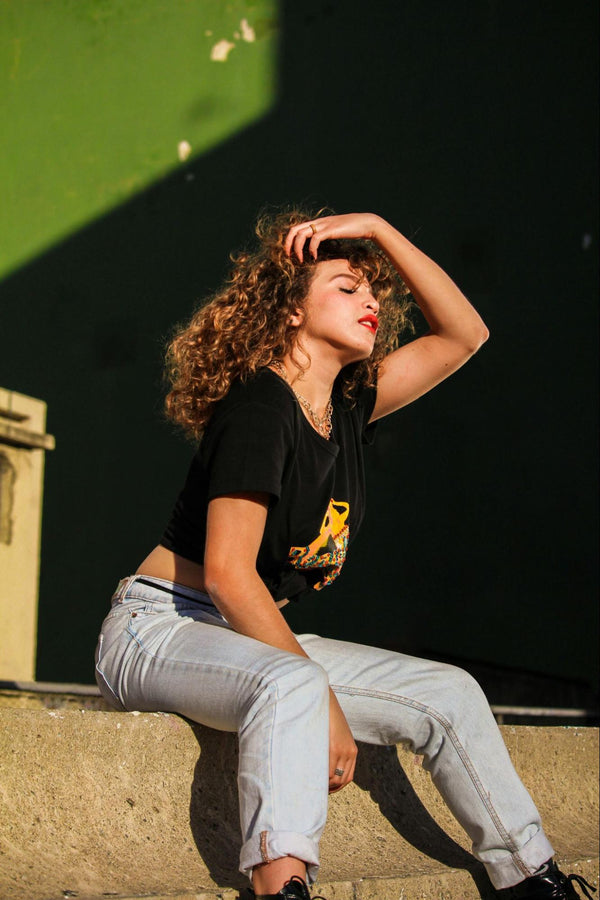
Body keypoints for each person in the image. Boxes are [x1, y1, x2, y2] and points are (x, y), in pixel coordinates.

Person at [95, 210, 595, 900]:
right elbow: (228, 576)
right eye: (346, 286)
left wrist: (382, 230)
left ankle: (532, 881)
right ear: (292, 309)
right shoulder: (260, 407)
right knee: (295, 684)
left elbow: (465, 334)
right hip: (158, 628)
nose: (371, 302)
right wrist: (324, 699)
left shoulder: (349, 408)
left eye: (374, 292)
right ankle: (283, 886)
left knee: (449, 694)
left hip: (241, 636)